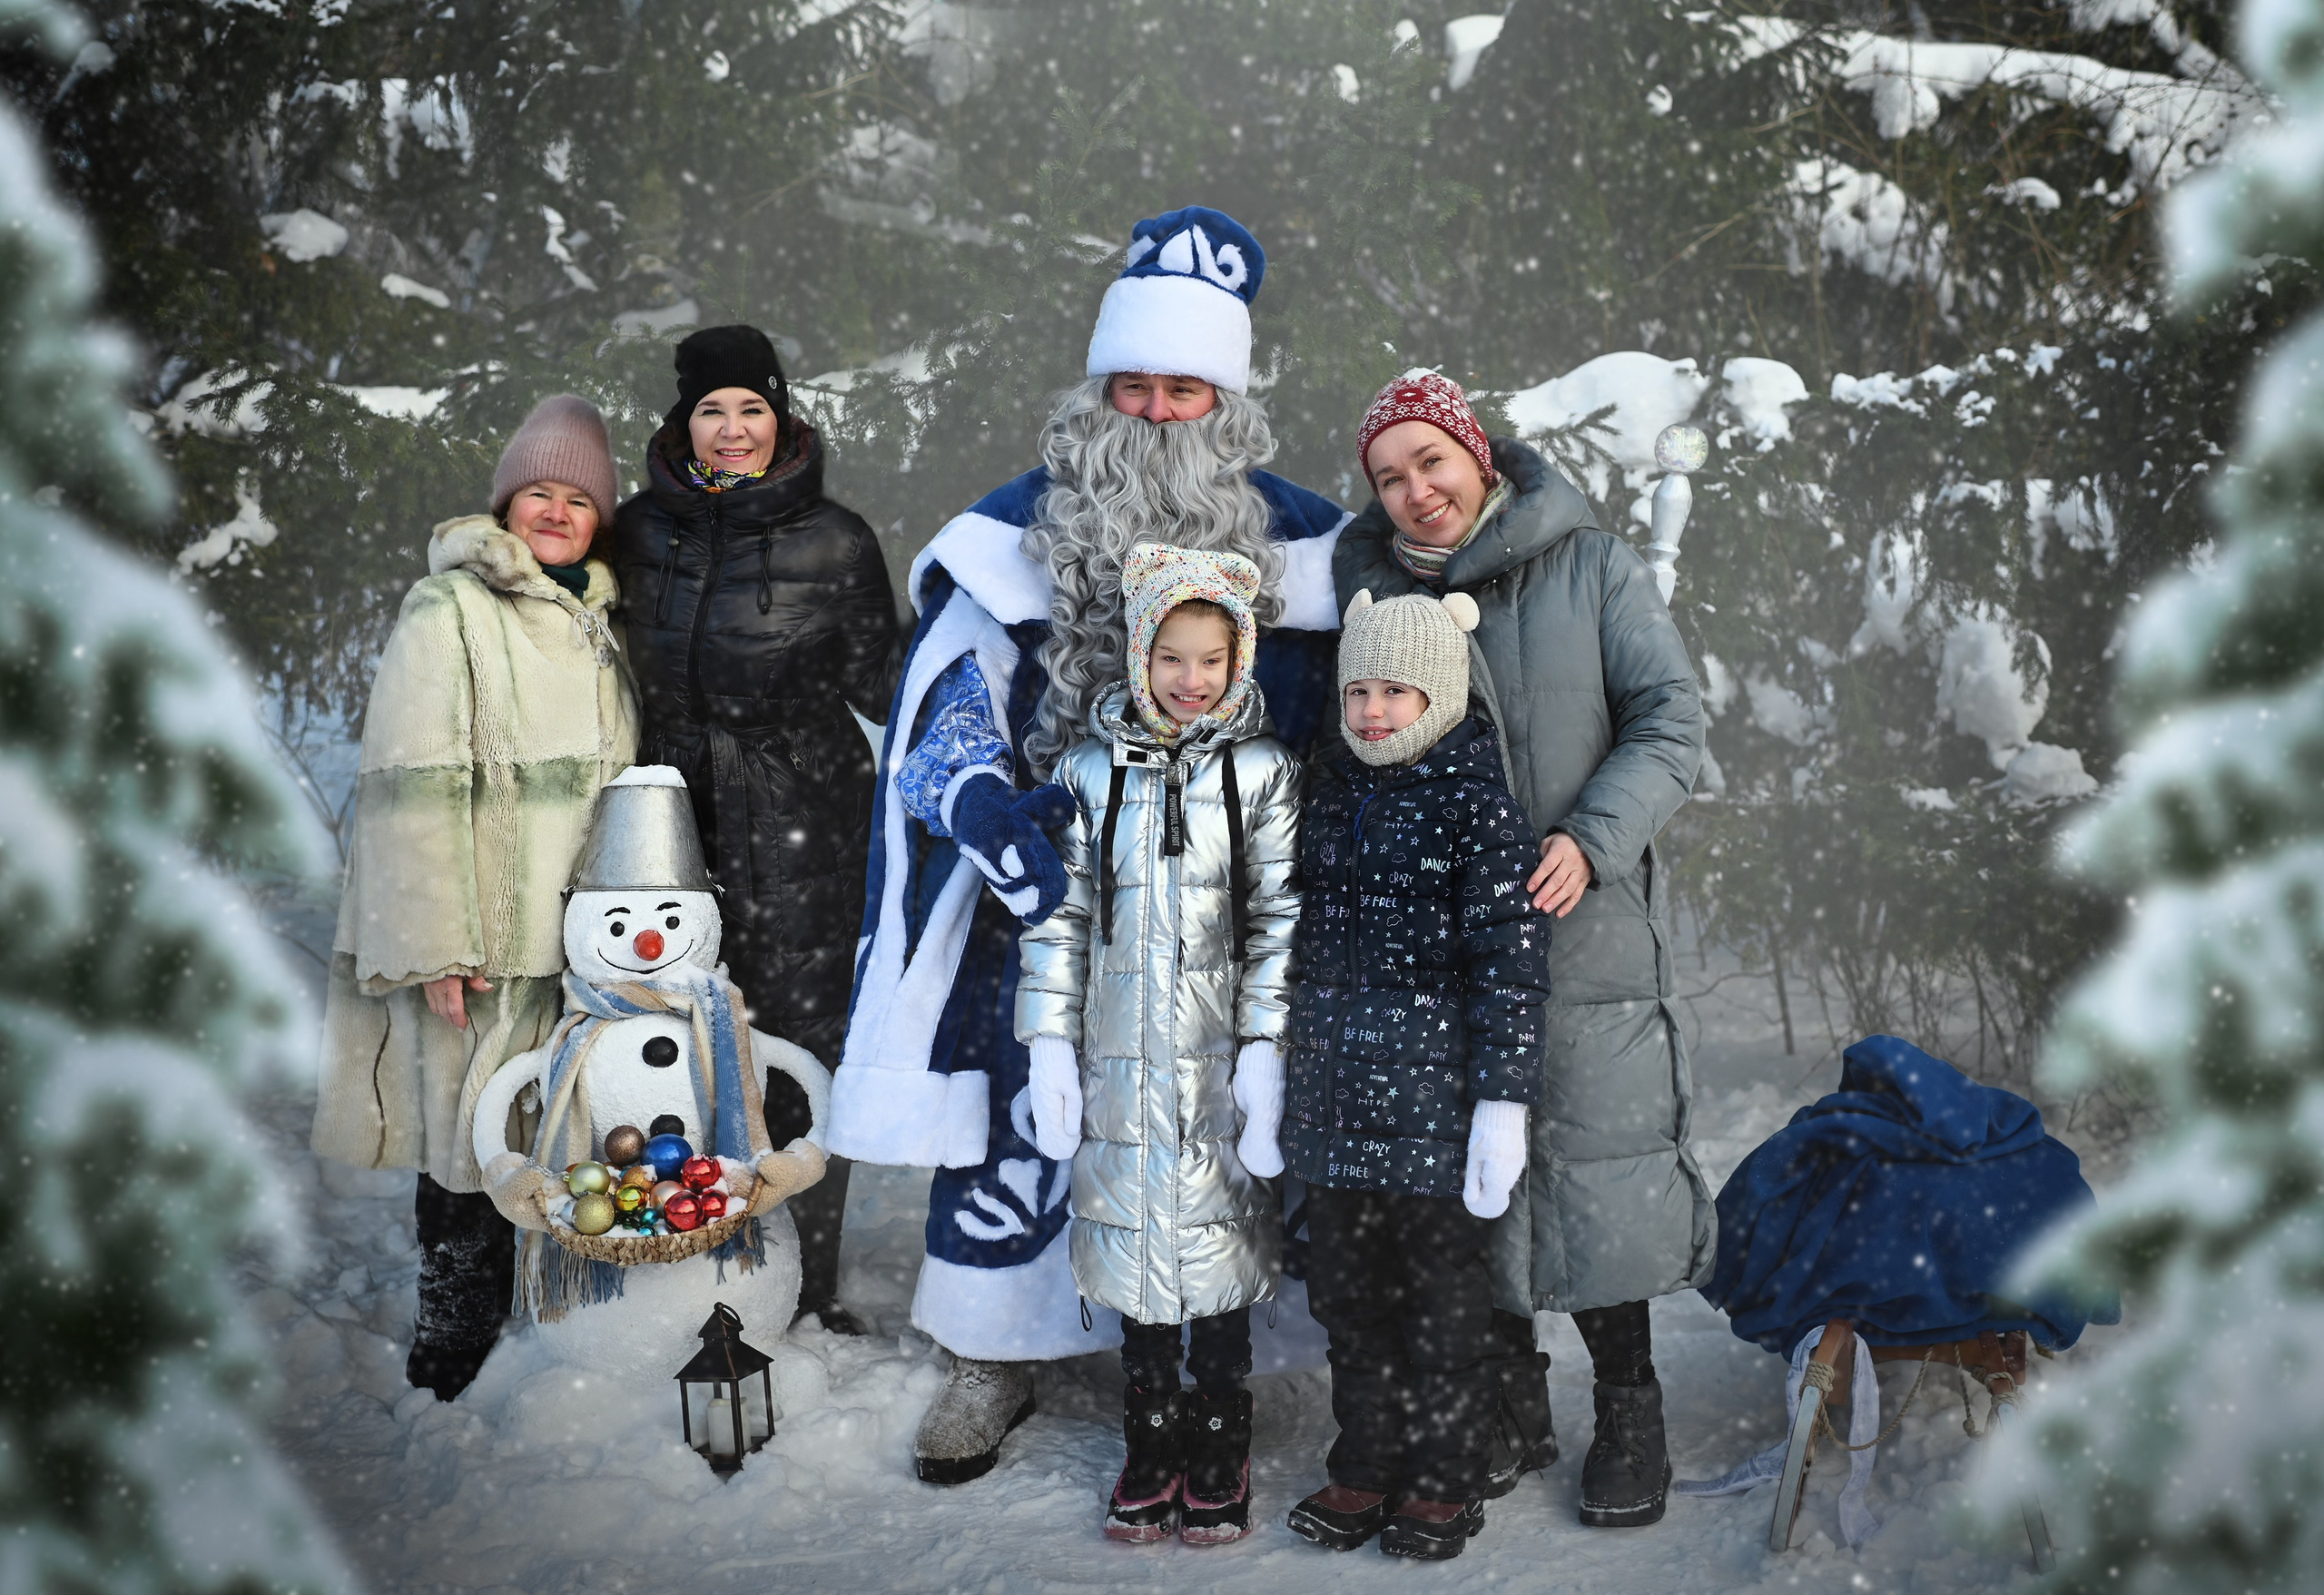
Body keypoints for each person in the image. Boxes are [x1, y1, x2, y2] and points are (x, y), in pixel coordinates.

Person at [830, 206, 1350, 1485]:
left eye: (1187, 388)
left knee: (1222, 1131)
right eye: (1137, 384)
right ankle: (994, 1344)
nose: (1160, 413)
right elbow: (940, 714)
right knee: (1033, 1104)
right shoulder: (1011, 531)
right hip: (1052, 899)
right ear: (1097, 391)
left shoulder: (1311, 542)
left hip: (1230, 905)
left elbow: (1379, 714)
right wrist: (987, 813)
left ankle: (1220, 1367)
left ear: (1227, 399)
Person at [1334, 371, 1712, 1528]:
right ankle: (1508, 1395)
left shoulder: (1590, 565)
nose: (1414, 493)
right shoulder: (1366, 588)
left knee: (1591, 1153)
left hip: (1576, 915)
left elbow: (1671, 717)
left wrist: (1590, 840)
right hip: (1428, 937)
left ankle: (1629, 1401)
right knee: (1465, 1166)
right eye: (1389, 477)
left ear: (1479, 458)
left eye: (1430, 464)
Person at [313, 394, 638, 1400]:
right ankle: (451, 1322)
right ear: (505, 507)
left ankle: (547, 1310)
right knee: (466, 1141)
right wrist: (435, 942)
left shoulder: (599, 620)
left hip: (581, 942)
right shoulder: (450, 608)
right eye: (537, 491)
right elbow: (406, 784)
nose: (555, 511)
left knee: (556, 1135)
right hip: (487, 937)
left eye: (577, 498)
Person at [609, 325, 901, 1334]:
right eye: (711, 410)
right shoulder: (638, 531)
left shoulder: (837, 539)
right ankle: (682, 1252)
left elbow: (885, 681)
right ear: (682, 420)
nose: (733, 429)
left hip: (803, 823)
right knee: (666, 1039)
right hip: (667, 822)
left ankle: (805, 1282)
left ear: (781, 416)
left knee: (798, 1046)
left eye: (751, 409)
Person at [1015, 544, 1302, 1545]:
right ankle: (1150, 1434)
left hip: (1221, 1062)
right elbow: (1057, 915)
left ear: (1240, 660)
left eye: (1210, 661)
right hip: (1117, 1059)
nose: (1190, 681)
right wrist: (1048, 1042)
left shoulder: (1263, 771)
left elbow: (1280, 916)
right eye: (1171, 658)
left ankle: (1220, 1434)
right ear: (1139, 656)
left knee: (1218, 1246)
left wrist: (1264, 1047)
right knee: (1134, 1243)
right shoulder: (1090, 770)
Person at [1271, 588, 1552, 1560]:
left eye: (1396, 689)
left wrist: (1502, 1104)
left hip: (1435, 1117)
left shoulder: (1477, 810)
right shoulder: (1326, 790)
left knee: (1441, 1305)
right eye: (1358, 690)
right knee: (1349, 1298)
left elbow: (1510, 967)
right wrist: (1277, 1071)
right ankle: (1368, 1460)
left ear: (1438, 693)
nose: (1374, 710)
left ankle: (1442, 1473)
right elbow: (1290, 943)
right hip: (1335, 1108)